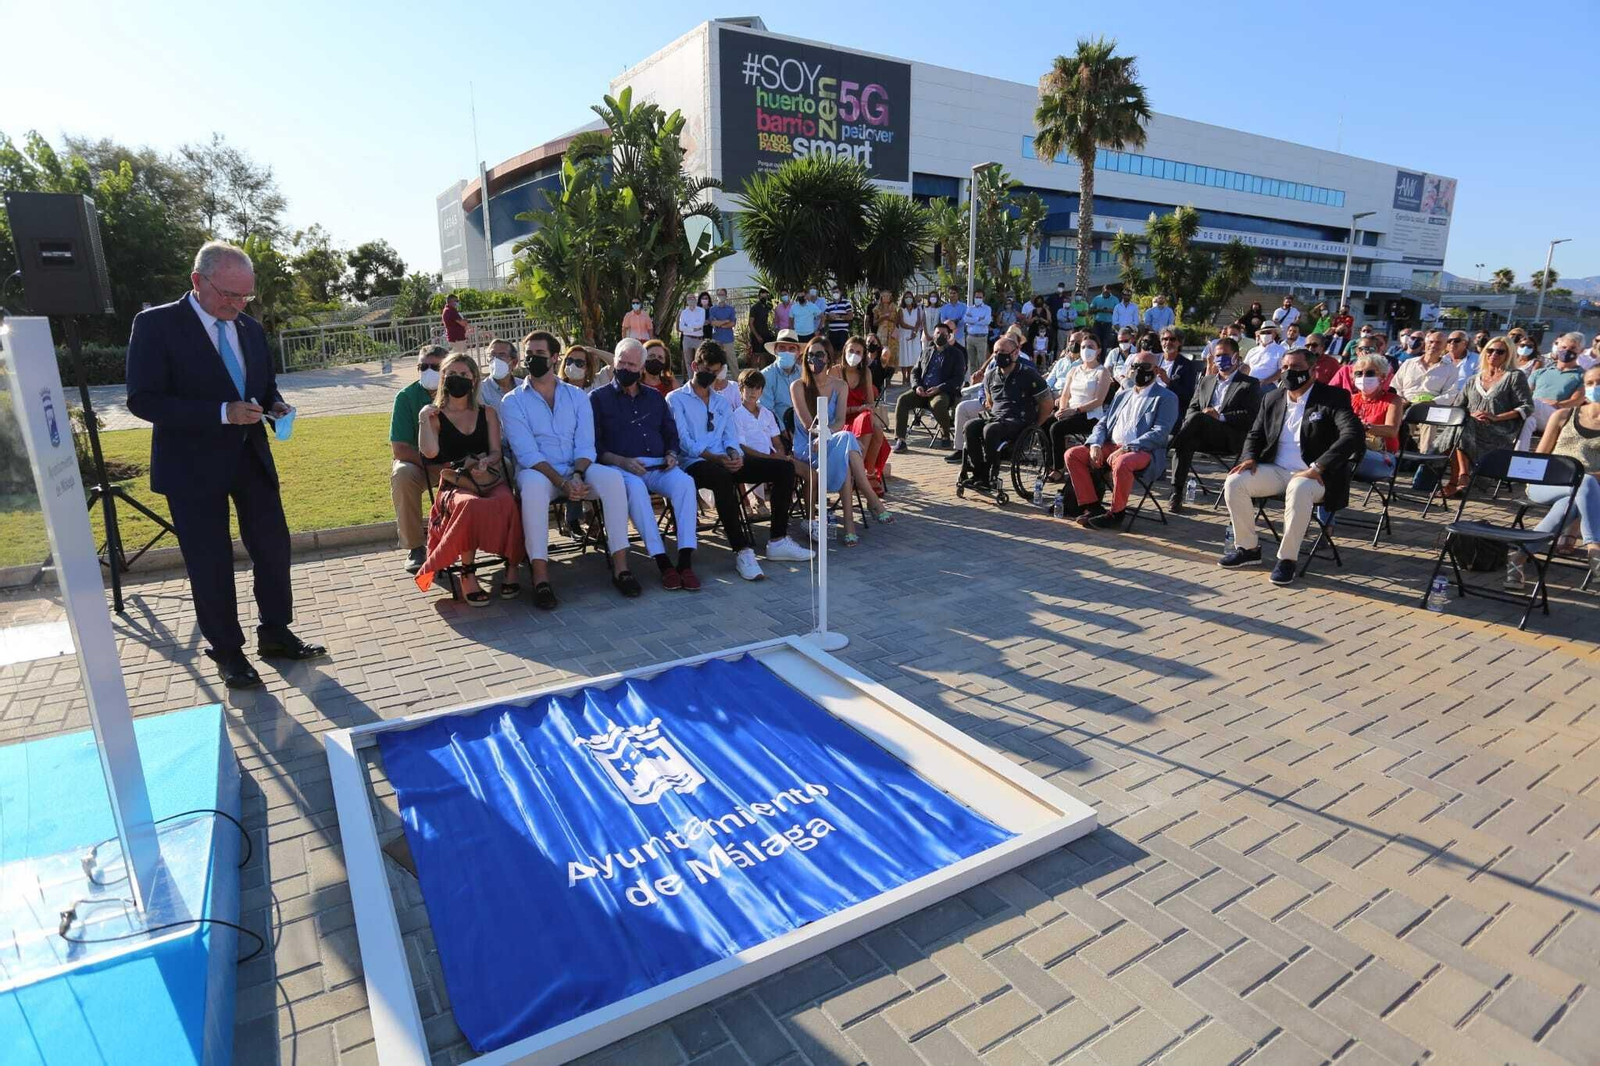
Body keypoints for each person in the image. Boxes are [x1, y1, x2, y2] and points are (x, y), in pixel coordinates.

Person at [125, 240, 324, 688]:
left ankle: (275, 631)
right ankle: (228, 651)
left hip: (250, 456)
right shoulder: (156, 324)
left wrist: (276, 406)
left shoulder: (250, 329)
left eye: (245, 296)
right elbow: (142, 398)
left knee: (273, 548)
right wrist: (221, 411)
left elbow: (265, 385)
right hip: (191, 465)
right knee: (210, 560)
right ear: (198, 281)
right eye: (229, 295)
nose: (237, 305)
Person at [499, 329, 638, 609]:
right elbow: (527, 453)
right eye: (528, 354)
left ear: (554, 358)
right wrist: (562, 484)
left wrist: (576, 475)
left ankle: (621, 568)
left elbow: (586, 444)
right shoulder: (512, 401)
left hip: (577, 470)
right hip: (539, 472)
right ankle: (541, 579)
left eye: (539, 354)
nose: (532, 359)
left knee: (612, 479)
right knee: (534, 490)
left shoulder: (576, 397)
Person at [1218, 349, 1364, 586]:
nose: (1288, 373)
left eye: (1295, 368)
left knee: (1298, 487)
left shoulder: (1332, 397)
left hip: (1316, 476)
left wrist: (1319, 466)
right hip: (1276, 469)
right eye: (1285, 367)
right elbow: (1255, 434)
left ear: (1313, 371)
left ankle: (1287, 560)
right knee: (1235, 481)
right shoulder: (1273, 397)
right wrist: (1250, 457)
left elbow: (1353, 434)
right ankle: (1248, 549)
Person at [672, 345, 813, 575]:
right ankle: (742, 551)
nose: (711, 376)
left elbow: (730, 436)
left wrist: (734, 454)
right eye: (706, 370)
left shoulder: (720, 402)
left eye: (716, 371)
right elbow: (684, 441)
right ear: (694, 367)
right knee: (722, 478)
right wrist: (716, 458)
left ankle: (778, 539)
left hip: (726, 459)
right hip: (696, 462)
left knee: (784, 468)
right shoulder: (676, 399)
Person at [591, 339, 704, 592]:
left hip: (658, 465)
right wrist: (622, 462)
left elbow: (670, 432)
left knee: (685, 483)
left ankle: (685, 561)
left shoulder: (654, 397)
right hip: (621, 467)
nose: (626, 368)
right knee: (637, 491)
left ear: (641, 367)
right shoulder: (598, 398)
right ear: (614, 362)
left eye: (632, 364)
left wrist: (672, 454)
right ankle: (663, 562)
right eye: (622, 362)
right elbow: (595, 446)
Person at [415, 354, 524, 603]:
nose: (458, 379)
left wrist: (487, 461)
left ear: (474, 379)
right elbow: (430, 453)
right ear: (443, 378)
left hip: (486, 477)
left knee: (507, 500)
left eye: (464, 375)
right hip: (454, 483)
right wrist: (423, 419)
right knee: (469, 505)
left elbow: (497, 451)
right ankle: (467, 571)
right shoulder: (434, 415)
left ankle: (512, 565)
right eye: (452, 374)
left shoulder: (488, 413)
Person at [790, 339, 895, 545]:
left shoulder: (839, 386)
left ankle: (850, 524)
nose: (814, 360)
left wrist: (827, 435)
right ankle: (870, 499)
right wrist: (824, 435)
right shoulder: (798, 386)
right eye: (810, 355)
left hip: (830, 442)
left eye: (819, 355)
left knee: (845, 449)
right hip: (809, 448)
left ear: (828, 358)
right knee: (847, 442)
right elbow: (807, 424)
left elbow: (839, 421)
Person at [1061, 348, 1179, 530]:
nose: (1139, 370)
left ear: (1156, 370)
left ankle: (1116, 513)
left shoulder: (1166, 398)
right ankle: (1092, 506)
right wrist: (1095, 444)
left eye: (1144, 366)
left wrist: (1128, 447)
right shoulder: (1122, 394)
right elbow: (1103, 423)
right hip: (1111, 445)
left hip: (1143, 451)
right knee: (1073, 454)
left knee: (1122, 462)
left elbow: (1160, 432)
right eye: (1135, 366)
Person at [1523, 365, 1600, 579]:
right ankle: (1595, 549)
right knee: (1582, 484)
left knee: (1576, 496)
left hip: (1588, 489)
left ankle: (1519, 556)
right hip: (1547, 483)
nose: (1595, 387)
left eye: (1599, 382)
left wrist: (1583, 478)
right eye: (1590, 383)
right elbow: (1540, 458)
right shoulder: (1563, 415)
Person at [1167, 336, 1260, 512]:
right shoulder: (1206, 381)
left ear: (1236, 357)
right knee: (1187, 440)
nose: (1220, 359)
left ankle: (1167, 445)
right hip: (1202, 434)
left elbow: (1250, 416)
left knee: (1196, 421)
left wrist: (1220, 416)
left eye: (1225, 355)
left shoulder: (1249, 383)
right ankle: (1177, 493)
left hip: (1230, 436)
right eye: (1217, 355)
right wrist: (1203, 416)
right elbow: (1192, 408)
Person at [1443, 337, 1533, 498]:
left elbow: (1527, 406)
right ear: (1484, 353)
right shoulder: (1473, 380)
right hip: (1469, 428)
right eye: (1490, 351)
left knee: (1457, 430)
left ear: (1508, 355)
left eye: (1500, 351)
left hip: (1499, 430)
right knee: (1461, 424)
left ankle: (1457, 479)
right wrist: (1471, 415)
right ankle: (1462, 476)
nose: (1494, 354)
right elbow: (1457, 407)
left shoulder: (1514, 376)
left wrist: (1496, 417)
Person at [962, 333, 1050, 491]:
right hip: (996, 418)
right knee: (970, 426)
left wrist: (1036, 425)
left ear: (1015, 353)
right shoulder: (990, 376)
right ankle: (979, 472)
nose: (998, 356)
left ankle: (990, 474)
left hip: (1019, 420)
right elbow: (990, 402)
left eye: (1003, 352)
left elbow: (1047, 403)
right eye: (996, 352)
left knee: (990, 429)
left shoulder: (1029, 375)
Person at [392, 343, 449, 574]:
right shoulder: (406, 397)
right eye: (422, 366)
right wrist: (435, 463)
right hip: (422, 464)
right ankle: (415, 547)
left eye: (435, 367)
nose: (428, 371)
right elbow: (400, 449)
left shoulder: (460, 391)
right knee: (402, 474)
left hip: (457, 462)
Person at [1045, 336, 1114, 481]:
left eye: (1090, 347)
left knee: (1056, 429)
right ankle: (1050, 463)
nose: (1085, 350)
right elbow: (1065, 395)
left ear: (1098, 350)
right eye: (1083, 347)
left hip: (1090, 415)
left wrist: (1075, 411)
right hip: (1071, 411)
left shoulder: (1102, 372)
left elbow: (1098, 401)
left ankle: (1059, 468)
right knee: (1046, 423)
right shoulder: (1074, 370)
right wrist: (1062, 410)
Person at [893, 320, 965, 451]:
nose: (940, 336)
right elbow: (915, 371)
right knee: (902, 400)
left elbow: (958, 379)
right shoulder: (926, 351)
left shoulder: (956, 354)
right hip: (923, 390)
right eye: (937, 333)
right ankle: (901, 440)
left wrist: (939, 388)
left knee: (937, 404)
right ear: (933, 334)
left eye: (943, 334)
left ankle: (945, 435)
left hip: (942, 392)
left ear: (949, 336)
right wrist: (917, 386)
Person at [838, 336, 889, 494]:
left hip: (861, 418)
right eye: (851, 350)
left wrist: (866, 413)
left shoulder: (865, 372)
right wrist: (857, 410)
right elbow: (833, 408)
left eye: (858, 352)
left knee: (875, 427)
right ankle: (863, 475)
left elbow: (870, 403)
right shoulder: (835, 371)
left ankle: (867, 474)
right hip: (841, 419)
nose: (854, 355)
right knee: (867, 419)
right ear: (845, 351)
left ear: (863, 355)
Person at [1346, 352, 1402, 482]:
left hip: (1382, 457)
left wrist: (1364, 427)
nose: (1363, 377)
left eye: (1370, 373)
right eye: (1359, 374)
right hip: (1352, 451)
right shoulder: (1350, 399)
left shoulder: (1393, 400)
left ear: (1382, 376)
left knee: (1340, 455)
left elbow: (1391, 431)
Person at [1391, 332, 1461, 404]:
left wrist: (1430, 403)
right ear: (1425, 344)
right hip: (1403, 405)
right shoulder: (1409, 363)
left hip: (1431, 408)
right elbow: (1395, 386)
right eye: (1431, 342)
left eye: (1438, 343)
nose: (1433, 345)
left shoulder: (1450, 369)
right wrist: (1401, 400)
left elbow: (1449, 394)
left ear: (1445, 346)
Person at [760, 328, 805, 441]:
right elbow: (767, 410)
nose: (786, 352)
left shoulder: (804, 374)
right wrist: (784, 431)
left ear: (798, 353)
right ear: (775, 351)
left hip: (805, 427)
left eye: (791, 349)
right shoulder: (765, 376)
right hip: (777, 433)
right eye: (782, 348)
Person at [1155, 328, 1197, 413]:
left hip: (1171, 406)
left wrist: (1168, 382)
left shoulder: (1187, 365)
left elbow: (1188, 395)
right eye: (1165, 339)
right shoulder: (1154, 360)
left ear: (1180, 343)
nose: (1168, 342)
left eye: (1172, 339)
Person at [478, 337, 520, 412]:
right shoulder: (480, 391)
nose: (496, 359)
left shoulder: (524, 386)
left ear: (514, 362)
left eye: (502, 355)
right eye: (492, 355)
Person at [1244, 324, 1286, 388]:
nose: (1265, 335)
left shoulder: (1281, 350)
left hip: (1269, 384)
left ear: (1274, 334)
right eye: (1263, 333)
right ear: (1259, 335)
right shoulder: (1252, 351)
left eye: (1268, 333)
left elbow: (1281, 371)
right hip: (1250, 384)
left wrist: (1264, 382)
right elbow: (1245, 367)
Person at [962, 289, 993, 375]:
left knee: (981, 361)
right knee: (972, 362)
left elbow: (986, 321)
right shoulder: (970, 308)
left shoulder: (987, 309)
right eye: (976, 297)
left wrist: (972, 320)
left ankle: (981, 381)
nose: (978, 298)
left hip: (981, 338)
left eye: (980, 297)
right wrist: (978, 318)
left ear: (983, 298)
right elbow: (965, 319)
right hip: (970, 337)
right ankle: (973, 380)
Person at [896, 289, 923, 386]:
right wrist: (912, 329)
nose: (908, 299)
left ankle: (910, 376)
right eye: (906, 297)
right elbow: (902, 323)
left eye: (910, 297)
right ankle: (904, 377)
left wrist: (915, 331)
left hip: (915, 336)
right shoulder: (900, 310)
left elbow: (919, 321)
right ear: (903, 299)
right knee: (904, 356)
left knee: (913, 356)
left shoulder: (917, 309)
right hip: (904, 335)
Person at [870, 289, 898, 374]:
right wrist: (881, 318)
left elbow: (897, 320)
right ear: (881, 297)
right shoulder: (877, 308)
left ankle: (889, 376)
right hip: (881, 332)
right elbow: (874, 323)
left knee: (892, 353)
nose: (886, 298)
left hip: (892, 332)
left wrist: (891, 319)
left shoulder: (894, 307)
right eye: (884, 296)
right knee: (882, 352)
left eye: (888, 296)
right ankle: (881, 375)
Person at [746, 288, 775, 366]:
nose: (764, 298)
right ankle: (754, 372)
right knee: (755, 355)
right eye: (762, 297)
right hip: (756, 336)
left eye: (765, 297)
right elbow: (750, 323)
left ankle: (762, 374)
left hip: (765, 334)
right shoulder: (754, 308)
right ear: (759, 297)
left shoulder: (766, 307)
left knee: (763, 356)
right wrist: (757, 336)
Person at [678, 293, 707, 364]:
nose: (691, 300)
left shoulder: (701, 311)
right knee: (688, 362)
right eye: (689, 299)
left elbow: (700, 324)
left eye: (693, 298)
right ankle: (690, 376)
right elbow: (681, 327)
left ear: (696, 300)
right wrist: (693, 329)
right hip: (687, 339)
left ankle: (698, 375)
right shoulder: (683, 312)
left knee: (700, 361)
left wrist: (687, 326)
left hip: (698, 339)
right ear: (687, 301)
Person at [708, 287, 737, 356]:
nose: (721, 296)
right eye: (719, 294)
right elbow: (713, 323)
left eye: (723, 294)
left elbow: (733, 323)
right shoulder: (712, 309)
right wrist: (726, 321)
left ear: (726, 296)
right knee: (717, 362)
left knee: (732, 361)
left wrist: (720, 324)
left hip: (728, 339)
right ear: (717, 296)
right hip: (716, 339)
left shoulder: (731, 309)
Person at [825, 285, 855, 352]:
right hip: (832, 332)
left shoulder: (846, 303)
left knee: (842, 351)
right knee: (832, 351)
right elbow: (825, 317)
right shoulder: (828, 304)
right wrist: (830, 317)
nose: (835, 294)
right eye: (833, 292)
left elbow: (850, 316)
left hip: (842, 332)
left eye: (837, 292)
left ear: (840, 293)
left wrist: (839, 316)